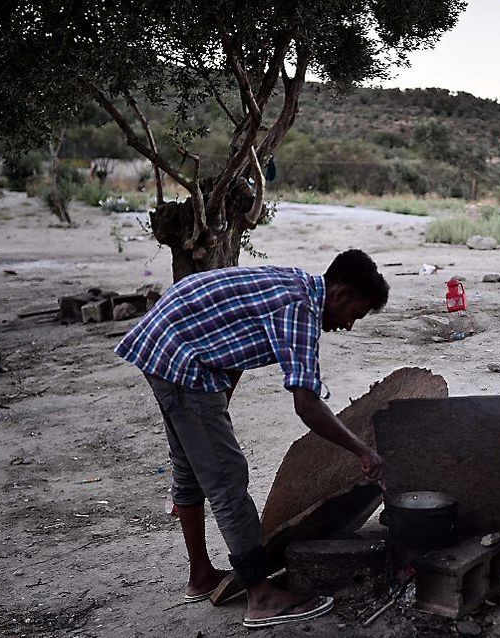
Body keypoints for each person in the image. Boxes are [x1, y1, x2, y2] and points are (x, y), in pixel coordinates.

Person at [114, 249, 389, 629]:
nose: (348, 325)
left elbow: (233, 344)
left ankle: (200, 576)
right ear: (341, 294)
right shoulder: (301, 312)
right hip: (180, 354)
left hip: (171, 339)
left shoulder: (295, 284)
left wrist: (216, 407)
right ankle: (261, 597)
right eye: (354, 314)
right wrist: (362, 450)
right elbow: (307, 406)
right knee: (227, 477)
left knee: (192, 467)